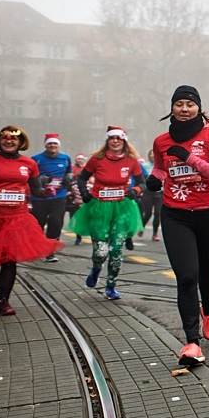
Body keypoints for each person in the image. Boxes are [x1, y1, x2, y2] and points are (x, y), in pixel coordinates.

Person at [147, 85, 209, 367]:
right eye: (179, 104)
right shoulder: (161, 141)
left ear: (198, 107)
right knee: (186, 276)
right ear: (172, 107)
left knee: (207, 273)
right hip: (176, 214)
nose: (184, 109)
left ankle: (208, 311)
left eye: (190, 104)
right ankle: (191, 343)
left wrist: (190, 159)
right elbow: (162, 167)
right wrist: (154, 177)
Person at [0, 127, 61, 315]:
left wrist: (45, 191)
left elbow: (36, 189)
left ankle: (3, 302)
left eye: (14, 139)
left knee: (9, 260)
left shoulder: (29, 163)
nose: (9, 141)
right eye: (5, 138)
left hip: (16, 219)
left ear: (21, 142)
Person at [72, 127, 145, 300]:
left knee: (116, 250)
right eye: (112, 138)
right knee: (100, 252)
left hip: (122, 208)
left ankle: (111, 286)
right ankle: (96, 269)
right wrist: (84, 193)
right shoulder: (97, 159)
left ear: (124, 141)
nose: (115, 141)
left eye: (119, 138)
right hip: (100, 208)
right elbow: (82, 178)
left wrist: (135, 190)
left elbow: (143, 182)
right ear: (107, 141)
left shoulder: (132, 161)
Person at [30, 133, 71, 262]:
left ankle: (50, 251)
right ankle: (36, 248)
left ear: (58, 146)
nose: (52, 146)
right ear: (46, 145)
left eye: (55, 144)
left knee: (56, 222)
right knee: (38, 224)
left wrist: (67, 179)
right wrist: (42, 180)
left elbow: (69, 172)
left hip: (59, 196)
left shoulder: (65, 158)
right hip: (40, 197)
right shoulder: (36, 158)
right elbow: (31, 177)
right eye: (50, 143)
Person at [136, 149, 163, 242]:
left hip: (159, 193)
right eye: (151, 155)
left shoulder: (162, 166)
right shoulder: (145, 166)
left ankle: (155, 234)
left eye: (154, 154)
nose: (153, 156)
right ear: (149, 156)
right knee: (147, 214)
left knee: (157, 213)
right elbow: (141, 178)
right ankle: (142, 228)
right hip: (148, 192)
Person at [67, 153, 88, 245]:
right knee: (74, 217)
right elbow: (68, 179)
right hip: (74, 196)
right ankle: (78, 236)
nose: (79, 160)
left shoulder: (88, 168)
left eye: (81, 159)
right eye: (78, 159)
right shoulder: (72, 168)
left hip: (86, 194)